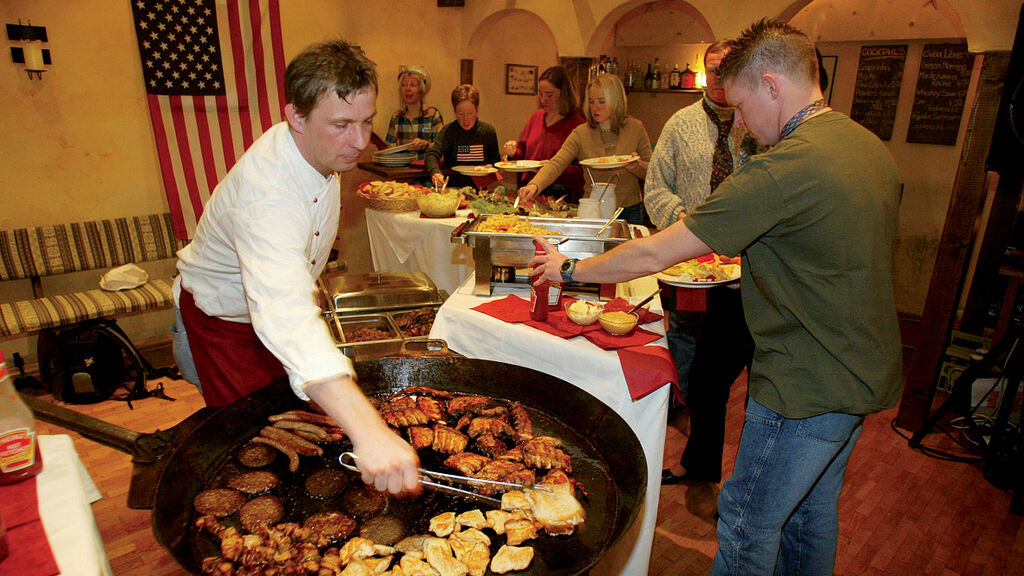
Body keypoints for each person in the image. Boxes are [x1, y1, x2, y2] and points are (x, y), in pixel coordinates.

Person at [529, 19, 902, 574]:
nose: (742, 124)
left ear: (773, 85)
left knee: (748, 523)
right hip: (861, 369)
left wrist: (570, 266)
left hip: (804, 384)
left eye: (744, 106)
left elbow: (659, 252)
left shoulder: (784, 167)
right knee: (809, 518)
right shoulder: (866, 146)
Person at [171, 40, 420, 495]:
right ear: (296, 117)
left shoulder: (319, 151)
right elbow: (281, 307)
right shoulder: (267, 192)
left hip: (266, 314)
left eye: (366, 122)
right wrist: (369, 429)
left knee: (304, 424)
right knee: (255, 450)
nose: (360, 142)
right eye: (342, 124)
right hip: (225, 324)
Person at [644, 40, 757, 485]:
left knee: (755, 392)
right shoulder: (680, 125)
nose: (719, 80)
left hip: (747, 272)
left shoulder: (760, 129)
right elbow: (655, 188)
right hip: (690, 261)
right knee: (693, 353)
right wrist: (684, 222)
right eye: (712, 70)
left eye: (727, 71)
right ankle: (695, 445)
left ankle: (746, 490)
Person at [516, 73, 652, 225]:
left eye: (601, 102)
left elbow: (653, 172)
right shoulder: (581, 133)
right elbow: (557, 163)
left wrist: (636, 165)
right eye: (591, 102)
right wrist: (535, 185)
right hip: (593, 208)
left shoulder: (635, 128)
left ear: (616, 101)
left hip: (629, 208)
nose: (595, 108)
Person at [501, 65, 586, 200]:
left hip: (561, 193)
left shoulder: (577, 124)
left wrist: (553, 168)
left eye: (549, 95)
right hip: (528, 188)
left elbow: (583, 169)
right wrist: (512, 152)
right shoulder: (536, 118)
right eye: (540, 94)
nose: (543, 100)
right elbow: (522, 152)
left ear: (563, 94)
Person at [425, 84, 501, 189]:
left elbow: (496, 160)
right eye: (461, 114)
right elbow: (432, 155)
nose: (466, 120)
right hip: (454, 188)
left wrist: (491, 166)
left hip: (481, 190)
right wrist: (435, 172)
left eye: (470, 113)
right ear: (454, 111)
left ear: (477, 110)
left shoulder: (488, 131)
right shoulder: (448, 131)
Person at [384, 65, 443, 159]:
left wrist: (425, 145)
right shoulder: (396, 117)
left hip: (426, 171)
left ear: (422, 90)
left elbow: (441, 149)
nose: (407, 89)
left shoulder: (433, 115)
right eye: (404, 85)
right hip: (402, 171)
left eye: (413, 85)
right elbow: (389, 148)